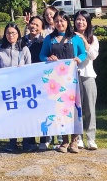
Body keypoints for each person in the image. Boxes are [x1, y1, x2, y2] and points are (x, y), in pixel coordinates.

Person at [39, 11, 88, 153]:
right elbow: (42, 55)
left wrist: (79, 58)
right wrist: (48, 58)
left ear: (67, 22)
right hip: (56, 81)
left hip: (72, 80)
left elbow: (83, 52)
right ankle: (64, 141)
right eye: (57, 21)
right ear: (53, 23)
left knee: (75, 109)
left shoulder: (75, 38)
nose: (60, 23)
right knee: (60, 109)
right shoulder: (49, 39)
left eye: (63, 20)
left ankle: (74, 140)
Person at [0, 24, 31, 152]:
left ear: (18, 34)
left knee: (24, 115)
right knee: (9, 115)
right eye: (8, 33)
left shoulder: (24, 49)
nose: (11, 35)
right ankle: (12, 141)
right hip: (6, 88)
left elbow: (30, 68)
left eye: (14, 33)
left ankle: (26, 141)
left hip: (21, 88)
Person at [21, 16, 49, 151]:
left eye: (37, 25)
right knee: (27, 110)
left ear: (41, 28)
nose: (34, 27)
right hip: (25, 81)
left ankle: (44, 139)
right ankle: (29, 140)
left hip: (40, 80)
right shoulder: (21, 41)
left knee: (42, 110)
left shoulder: (44, 42)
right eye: (32, 23)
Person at [75, 11, 99, 150]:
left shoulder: (93, 38)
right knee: (76, 108)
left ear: (88, 22)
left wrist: (84, 40)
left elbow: (93, 56)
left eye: (83, 20)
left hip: (88, 75)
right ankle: (78, 138)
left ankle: (91, 138)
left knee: (90, 108)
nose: (80, 22)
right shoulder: (70, 37)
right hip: (72, 76)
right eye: (78, 19)